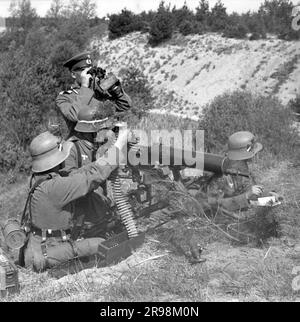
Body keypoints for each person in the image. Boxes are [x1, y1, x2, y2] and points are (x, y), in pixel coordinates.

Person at [21, 126, 130, 272]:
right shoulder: (54, 187)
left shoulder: (40, 178)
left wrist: (103, 160)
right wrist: (119, 145)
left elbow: (78, 174)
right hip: (46, 252)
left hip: (39, 245)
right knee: (102, 243)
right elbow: (91, 177)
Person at [56, 52, 132, 138]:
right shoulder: (65, 97)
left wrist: (115, 90)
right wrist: (85, 87)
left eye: (91, 70)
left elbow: (125, 106)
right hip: (82, 145)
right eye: (85, 71)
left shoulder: (98, 92)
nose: (89, 74)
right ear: (73, 74)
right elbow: (74, 116)